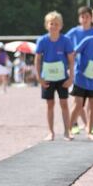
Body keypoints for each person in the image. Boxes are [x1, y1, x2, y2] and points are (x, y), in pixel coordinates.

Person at [35, 11, 74, 141]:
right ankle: (51, 132)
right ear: (47, 25)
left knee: (64, 104)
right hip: (47, 78)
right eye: (51, 24)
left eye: (57, 24)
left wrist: (71, 77)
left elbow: (71, 59)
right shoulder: (42, 41)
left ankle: (67, 132)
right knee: (49, 104)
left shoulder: (66, 40)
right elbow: (38, 59)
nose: (54, 26)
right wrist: (39, 77)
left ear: (61, 26)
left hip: (62, 78)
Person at [66, 6, 93, 134]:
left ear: (91, 18)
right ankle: (71, 126)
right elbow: (63, 42)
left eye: (87, 17)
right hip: (77, 71)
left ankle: (90, 127)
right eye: (82, 17)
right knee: (77, 102)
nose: (84, 19)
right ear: (79, 19)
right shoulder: (73, 32)